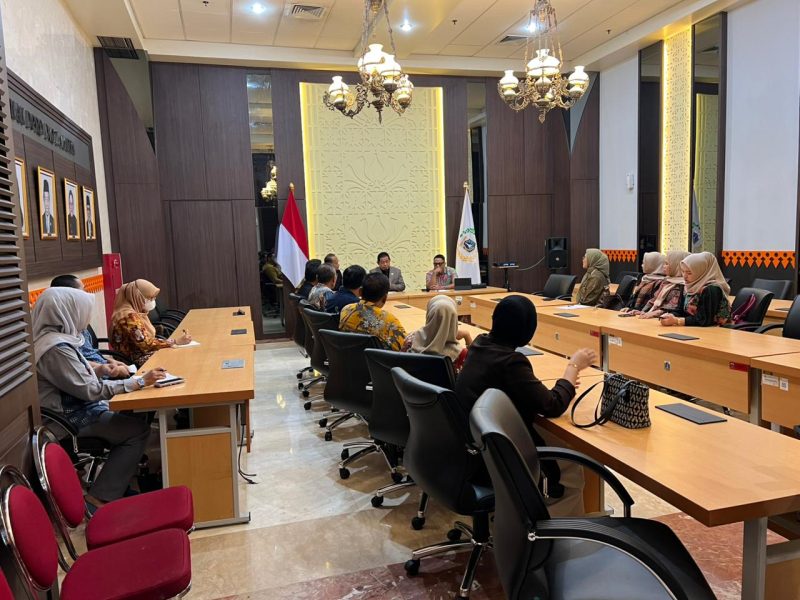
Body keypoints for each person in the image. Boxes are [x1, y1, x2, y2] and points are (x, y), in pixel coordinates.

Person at [33, 287, 167, 505]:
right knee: (137, 431)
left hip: (76, 407)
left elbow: (75, 377)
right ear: (67, 311)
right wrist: (139, 382)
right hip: (69, 419)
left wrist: (103, 370)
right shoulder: (55, 349)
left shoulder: (55, 341)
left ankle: (119, 484)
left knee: (131, 416)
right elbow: (91, 390)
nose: (85, 320)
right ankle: (102, 496)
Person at [455, 295, 597, 499]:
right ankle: (554, 515)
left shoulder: (480, 344)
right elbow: (552, 405)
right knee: (574, 463)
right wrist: (573, 367)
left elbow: (523, 390)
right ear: (527, 330)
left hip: (476, 449)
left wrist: (564, 385)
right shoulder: (511, 362)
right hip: (501, 458)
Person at [50, 274, 130, 379]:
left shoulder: (78, 321)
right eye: (83, 290)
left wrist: (110, 362)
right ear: (71, 296)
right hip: (96, 377)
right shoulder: (57, 338)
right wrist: (106, 368)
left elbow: (90, 352)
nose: (86, 294)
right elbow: (78, 363)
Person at [110, 279, 192, 367]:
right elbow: (146, 344)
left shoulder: (135, 312)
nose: (153, 301)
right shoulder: (128, 317)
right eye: (150, 298)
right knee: (176, 358)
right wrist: (176, 341)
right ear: (137, 297)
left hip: (140, 353)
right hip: (133, 360)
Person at [660, 252, 732, 327]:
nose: (684, 276)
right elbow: (680, 310)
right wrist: (669, 315)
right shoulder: (687, 286)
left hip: (716, 330)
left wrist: (677, 321)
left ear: (701, 272)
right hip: (692, 328)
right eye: (683, 271)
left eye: (689, 273)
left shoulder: (712, 289)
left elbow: (704, 320)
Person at [402, 295, 471, 372]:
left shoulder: (410, 340)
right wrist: (467, 336)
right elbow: (474, 365)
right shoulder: (461, 355)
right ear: (454, 319)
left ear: (429, 315)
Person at [339, 272, 407, 351]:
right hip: (376, 359)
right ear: (385, 297)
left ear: (360, 292)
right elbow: (404, 347)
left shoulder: (346, 309)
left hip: (347, 357)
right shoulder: (389, 320)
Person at [636, 250, 690, 318]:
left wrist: (653, 313)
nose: (663, 266)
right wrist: (642, 311)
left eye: (667, 264)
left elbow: (674, 309)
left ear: (676, 266)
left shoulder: (683, 286)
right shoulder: (666, 282)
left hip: (667, 319)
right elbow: (653, 300)